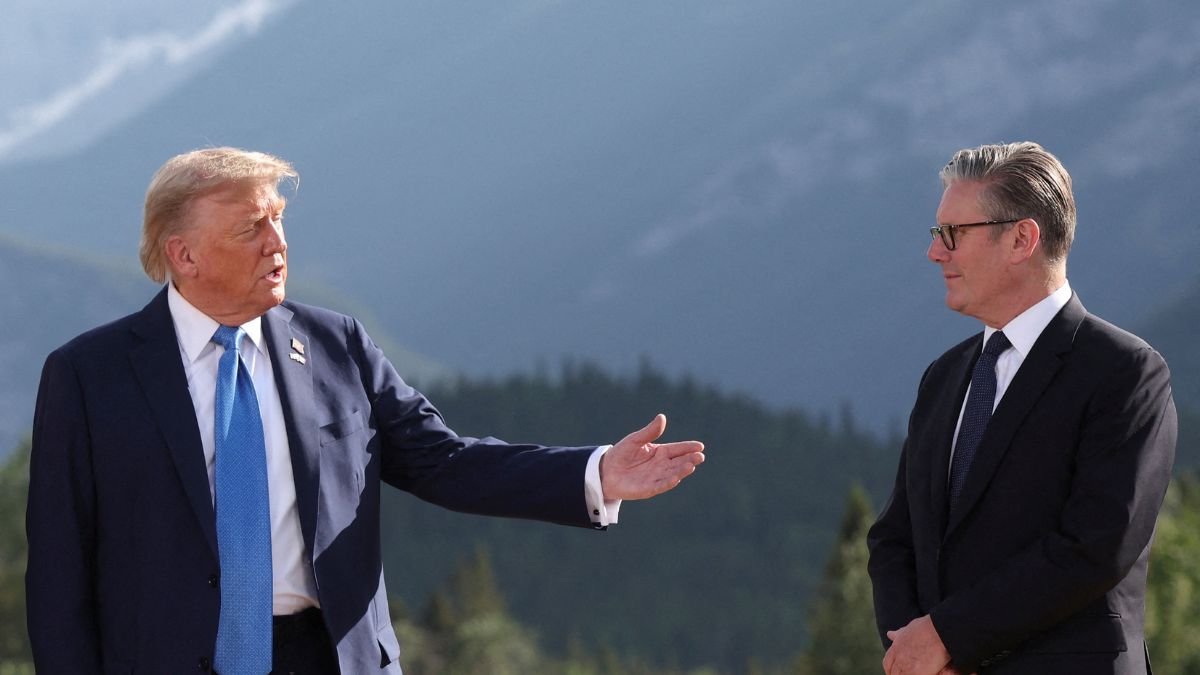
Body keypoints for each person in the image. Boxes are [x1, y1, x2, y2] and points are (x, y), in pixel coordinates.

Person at [26, 147, 706, 674]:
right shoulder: (89, 375)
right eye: (251, 228)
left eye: (279, 220)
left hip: (332, 657)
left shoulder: (335, 344)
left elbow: (446, 462)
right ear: (185, 254)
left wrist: (597, 475)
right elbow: (59, 573)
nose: (278, 243)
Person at [866, 142, 1176, 675]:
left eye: (953, 234)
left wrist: (948, 638)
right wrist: (913, 651)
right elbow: (895, 540)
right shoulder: (944, 377)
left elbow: (1095, 545)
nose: (935, 252)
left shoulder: (1125, 373)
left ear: (1021, 239)